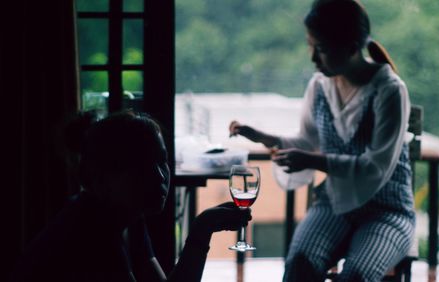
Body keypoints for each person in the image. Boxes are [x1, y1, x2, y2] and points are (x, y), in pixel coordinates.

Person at [229, 0, 415, 281]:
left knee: (356, 276)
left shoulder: (388, 90)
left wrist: (311, 160)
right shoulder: (320, 86)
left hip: (386, 211)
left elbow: (374, 167)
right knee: (298, 268)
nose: (314, 58)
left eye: (322, 49)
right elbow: (306, 141)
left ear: (352, 47)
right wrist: (260, 136)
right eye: (311, 46)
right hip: (334, 204)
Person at [12, 110, 252, 282]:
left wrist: (202, 230)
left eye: (162, 161)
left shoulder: (128, 216)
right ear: (102, 177)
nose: (160, 176)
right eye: (142, 165)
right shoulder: (91, 232)